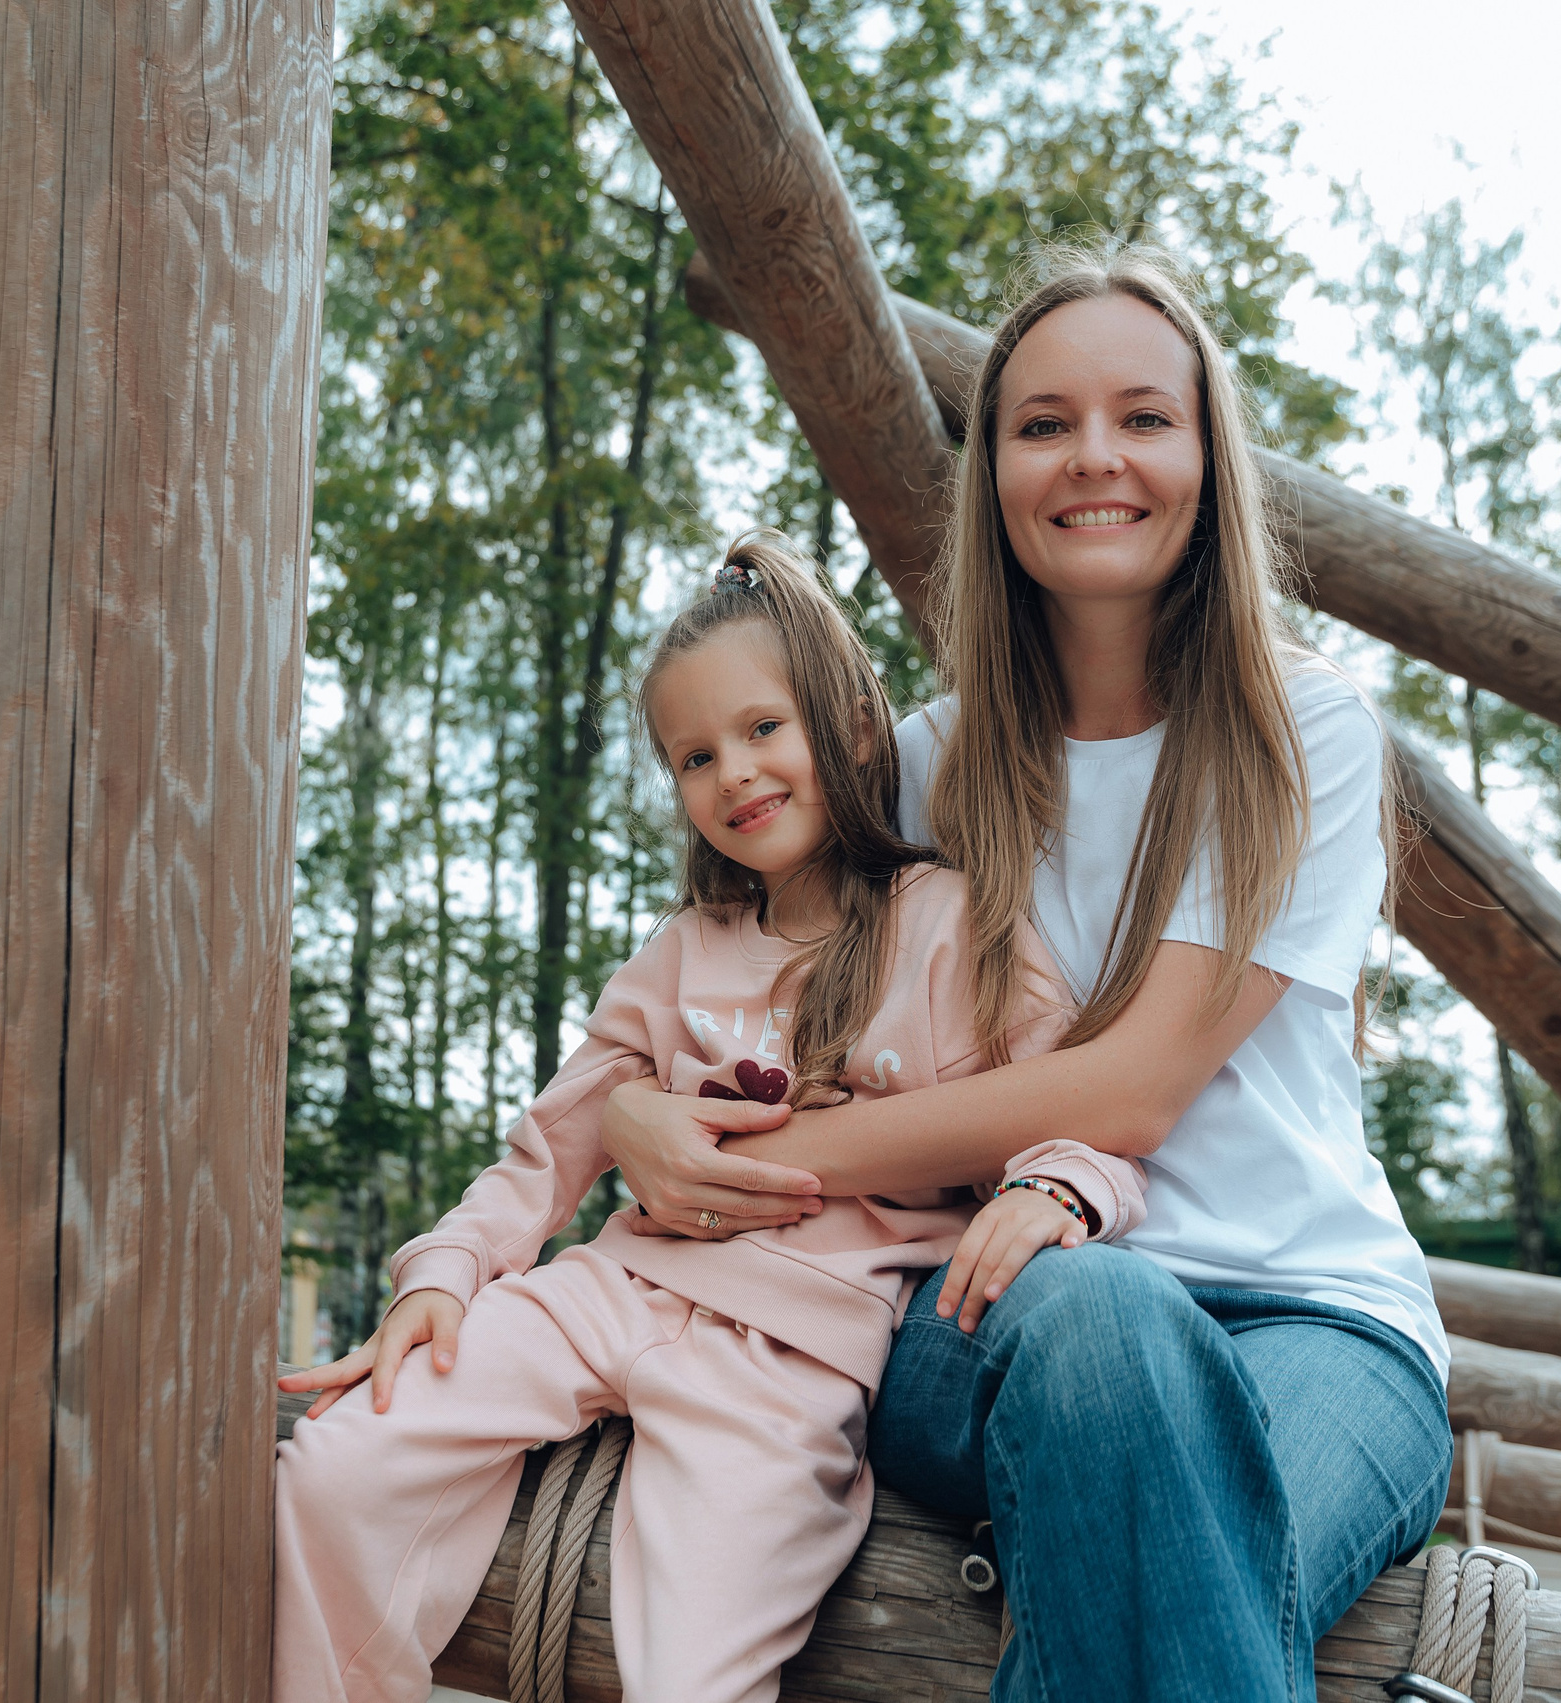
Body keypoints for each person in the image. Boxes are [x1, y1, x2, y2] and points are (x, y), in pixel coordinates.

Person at [600, 245, 1454, 1700]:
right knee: (1108, 1326)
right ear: (992, 470)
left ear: (1207, 455)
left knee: (1159, 1588)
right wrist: (630, 1115)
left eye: (1144, 415)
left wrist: (772, 1154)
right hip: (986, 1311)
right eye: (1043, 423)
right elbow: (730, 969)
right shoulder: (921, 769)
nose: (1094, 457)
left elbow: (1128, 1092)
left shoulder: (1303, 732)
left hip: (1317, 1317)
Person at [272, 534, 1148, 1703]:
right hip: (604, 1293)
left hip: (790, 1355)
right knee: (334, 1468)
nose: (732, 772)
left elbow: (1080, 1111)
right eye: (693, 754)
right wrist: (442, 1272)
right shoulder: (680, 948)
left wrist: (1055, 1189)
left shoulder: (952, 923)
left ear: (846, 722)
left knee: (694, 1668)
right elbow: (550, 1147)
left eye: (760, 729)